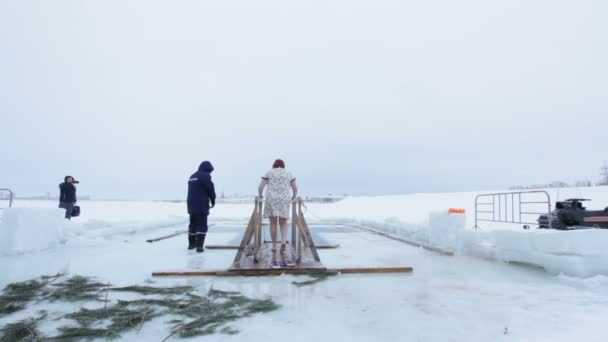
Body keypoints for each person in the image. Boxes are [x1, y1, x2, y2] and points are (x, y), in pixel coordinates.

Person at [258, 159, 298, 253]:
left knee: (272, 223)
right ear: (283, 165)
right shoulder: (288, 173)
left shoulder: (269, 172)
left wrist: (260, 195)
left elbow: (261, 186)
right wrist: (294, 196)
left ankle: (274, 246)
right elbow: (295, 188)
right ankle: (283, 241)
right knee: (283, 221)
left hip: (271, 199)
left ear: (274, 165)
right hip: (284, 199)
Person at [187, 161, 216, 253]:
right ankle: (199, 246)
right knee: (202, 225)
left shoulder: (192, 176)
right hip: (201, 205)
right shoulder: (205, 176)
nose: (210, 173)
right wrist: (213, 200)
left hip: (191, 205)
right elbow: (210, 189)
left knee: (193, 225)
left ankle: (191, 244)